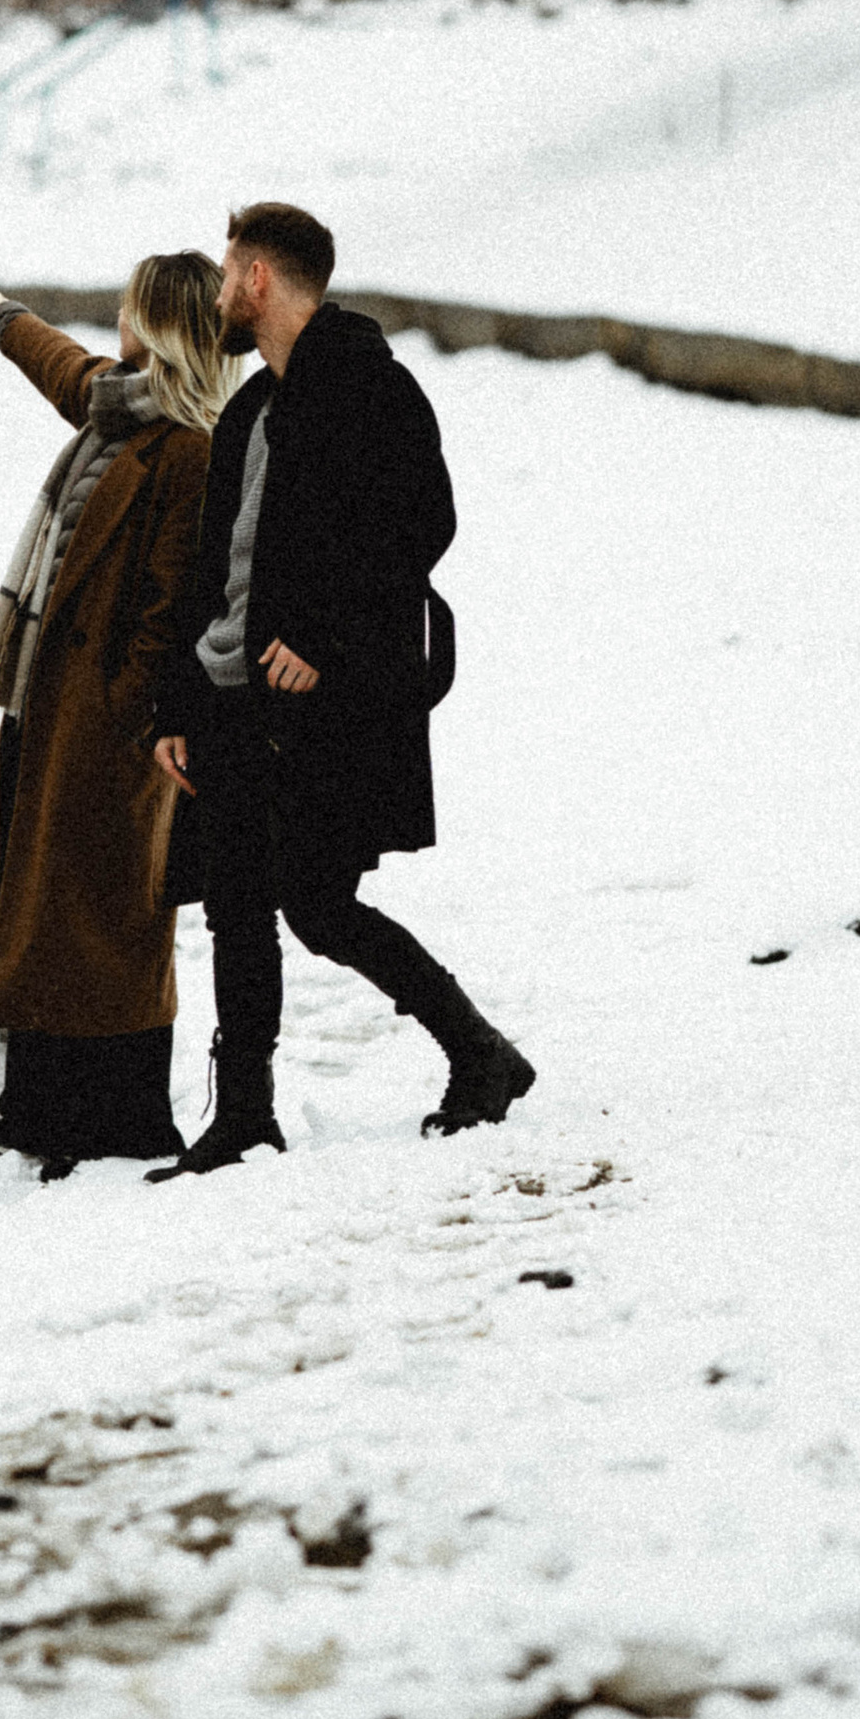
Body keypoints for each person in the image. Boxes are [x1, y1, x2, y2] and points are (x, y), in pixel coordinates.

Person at [150, 199, 534, 1179]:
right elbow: (210, 571)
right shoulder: (251, 407)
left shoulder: (370, 387)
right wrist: (176, 706)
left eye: (228, 275)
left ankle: (479, 1053)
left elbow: (422, 525)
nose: (219, 295)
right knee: (235, 906)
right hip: (228, 694)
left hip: (319, 707)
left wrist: (323, 637)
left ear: (260, 279)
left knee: (318, 905)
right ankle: (244, 1117)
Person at [0, 252, 231, 1166]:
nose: (115, 321)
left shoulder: (190, 450)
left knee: (106, 919)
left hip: (107, 723)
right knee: (41, 901)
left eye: (128, 309)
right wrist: (2, 317)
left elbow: (170, 606)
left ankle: (113, 1119)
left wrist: (125, 711)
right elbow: (65, 370)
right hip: (46, 696)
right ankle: (36, 1104)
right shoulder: (119, 407)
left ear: (157, 326)